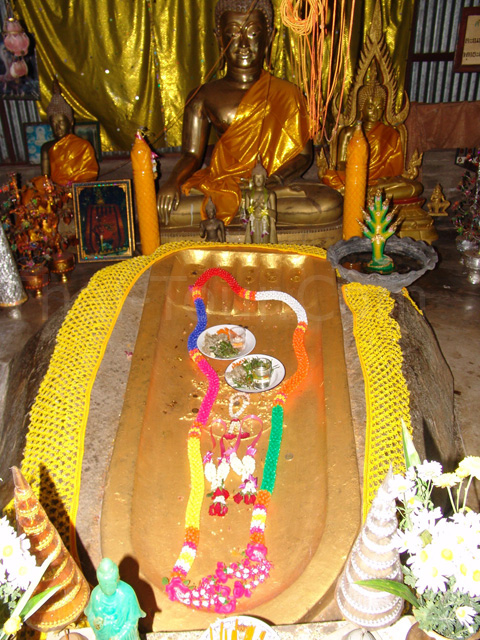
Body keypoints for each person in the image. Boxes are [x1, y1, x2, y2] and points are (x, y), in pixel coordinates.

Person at [157, 0, 334, 228]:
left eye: (253, 34)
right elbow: (191, 155)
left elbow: (303, 156)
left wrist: (270, 181)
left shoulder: (289, 93)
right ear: (219, 38)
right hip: (223, 183)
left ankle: (236, 209)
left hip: (272, 186)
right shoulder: (203, 95)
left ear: (269, 37)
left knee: (327, 204)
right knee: (167, 209)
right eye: (232, 34)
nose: (243, 44)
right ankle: (241, 208)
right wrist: (172, 181)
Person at [322, 70, 422, 200]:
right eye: (370, 107)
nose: (375, 112)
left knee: (414, 187)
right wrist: (354, 171)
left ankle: (365, 193)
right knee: (329, 178)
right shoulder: (348, 133)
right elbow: (340, 162)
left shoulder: (391, 134)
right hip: (354, 177)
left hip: (381, 183)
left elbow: (394, 171)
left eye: (379, 108)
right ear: (361, 107)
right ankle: (367, 193)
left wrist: (382, 180)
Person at [40, 82, 99, 186]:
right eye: (53, 123)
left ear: (71, 123)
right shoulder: (47, 147)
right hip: (56, 191)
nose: (57, 127)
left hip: (78, 189)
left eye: (61, 122)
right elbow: (45, 178)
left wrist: (73, 186)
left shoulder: (83, 146)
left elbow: (89, 175)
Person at [85, 558, 146, 640]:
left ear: (117, 579)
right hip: (104, 636)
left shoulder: (127, 593)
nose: (107, 588)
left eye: (110, 583)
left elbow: (132, 621)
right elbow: (91, 615)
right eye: (103, 584)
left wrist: (119, 636)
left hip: (124, 636)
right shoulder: (96, 595)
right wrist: (96, 623)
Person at [244, 159, 277, 243]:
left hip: (265, 222)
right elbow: (246, 213)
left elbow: (274, 214)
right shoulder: (248, 194)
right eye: (256, 178)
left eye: (260, 178)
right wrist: (254, 206)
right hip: (253, 222)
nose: (258, 181)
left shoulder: (270, 194)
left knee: (265, 243)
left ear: (265, 179)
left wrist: (264, 208)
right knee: (255, 243)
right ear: (253, 179)